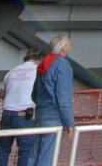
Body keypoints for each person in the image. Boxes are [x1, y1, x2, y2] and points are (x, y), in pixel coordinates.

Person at [32, 35, 76, 166]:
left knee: (34, 155)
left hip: (40, 114)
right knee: (46, 157)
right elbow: (64, 98)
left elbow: (34, 94)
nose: (70, 46)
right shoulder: (63, 65)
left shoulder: (44, 63)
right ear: (63, 48)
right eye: (68, 44)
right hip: (53, 117)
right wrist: (69, 123)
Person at [0, 48, 41, 166]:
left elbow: (1, 95)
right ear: (39, 60)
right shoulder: (37, 71)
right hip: (24, 115)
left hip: (7, 113)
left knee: (3, 149)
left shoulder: (12, 71)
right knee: (25, 150)